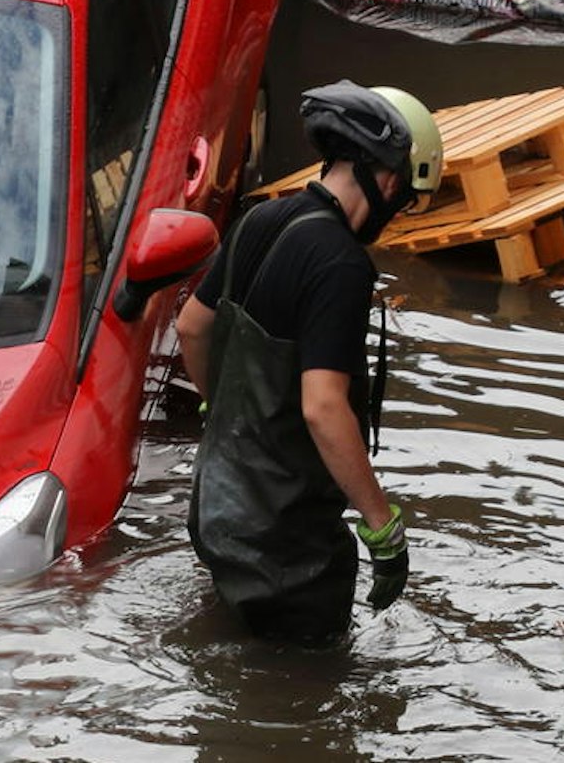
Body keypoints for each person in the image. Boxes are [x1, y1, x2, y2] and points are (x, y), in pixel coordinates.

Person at [175, 80, 444, 641]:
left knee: (230, 656)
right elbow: (323, 408)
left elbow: (192, 327)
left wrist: (218, 408)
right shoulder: (340, 264)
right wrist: (381, 525)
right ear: (391, 179)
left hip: (217, 512)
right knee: (307, 695)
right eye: (405, 202)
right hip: (287, 551)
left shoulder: (259, 222)